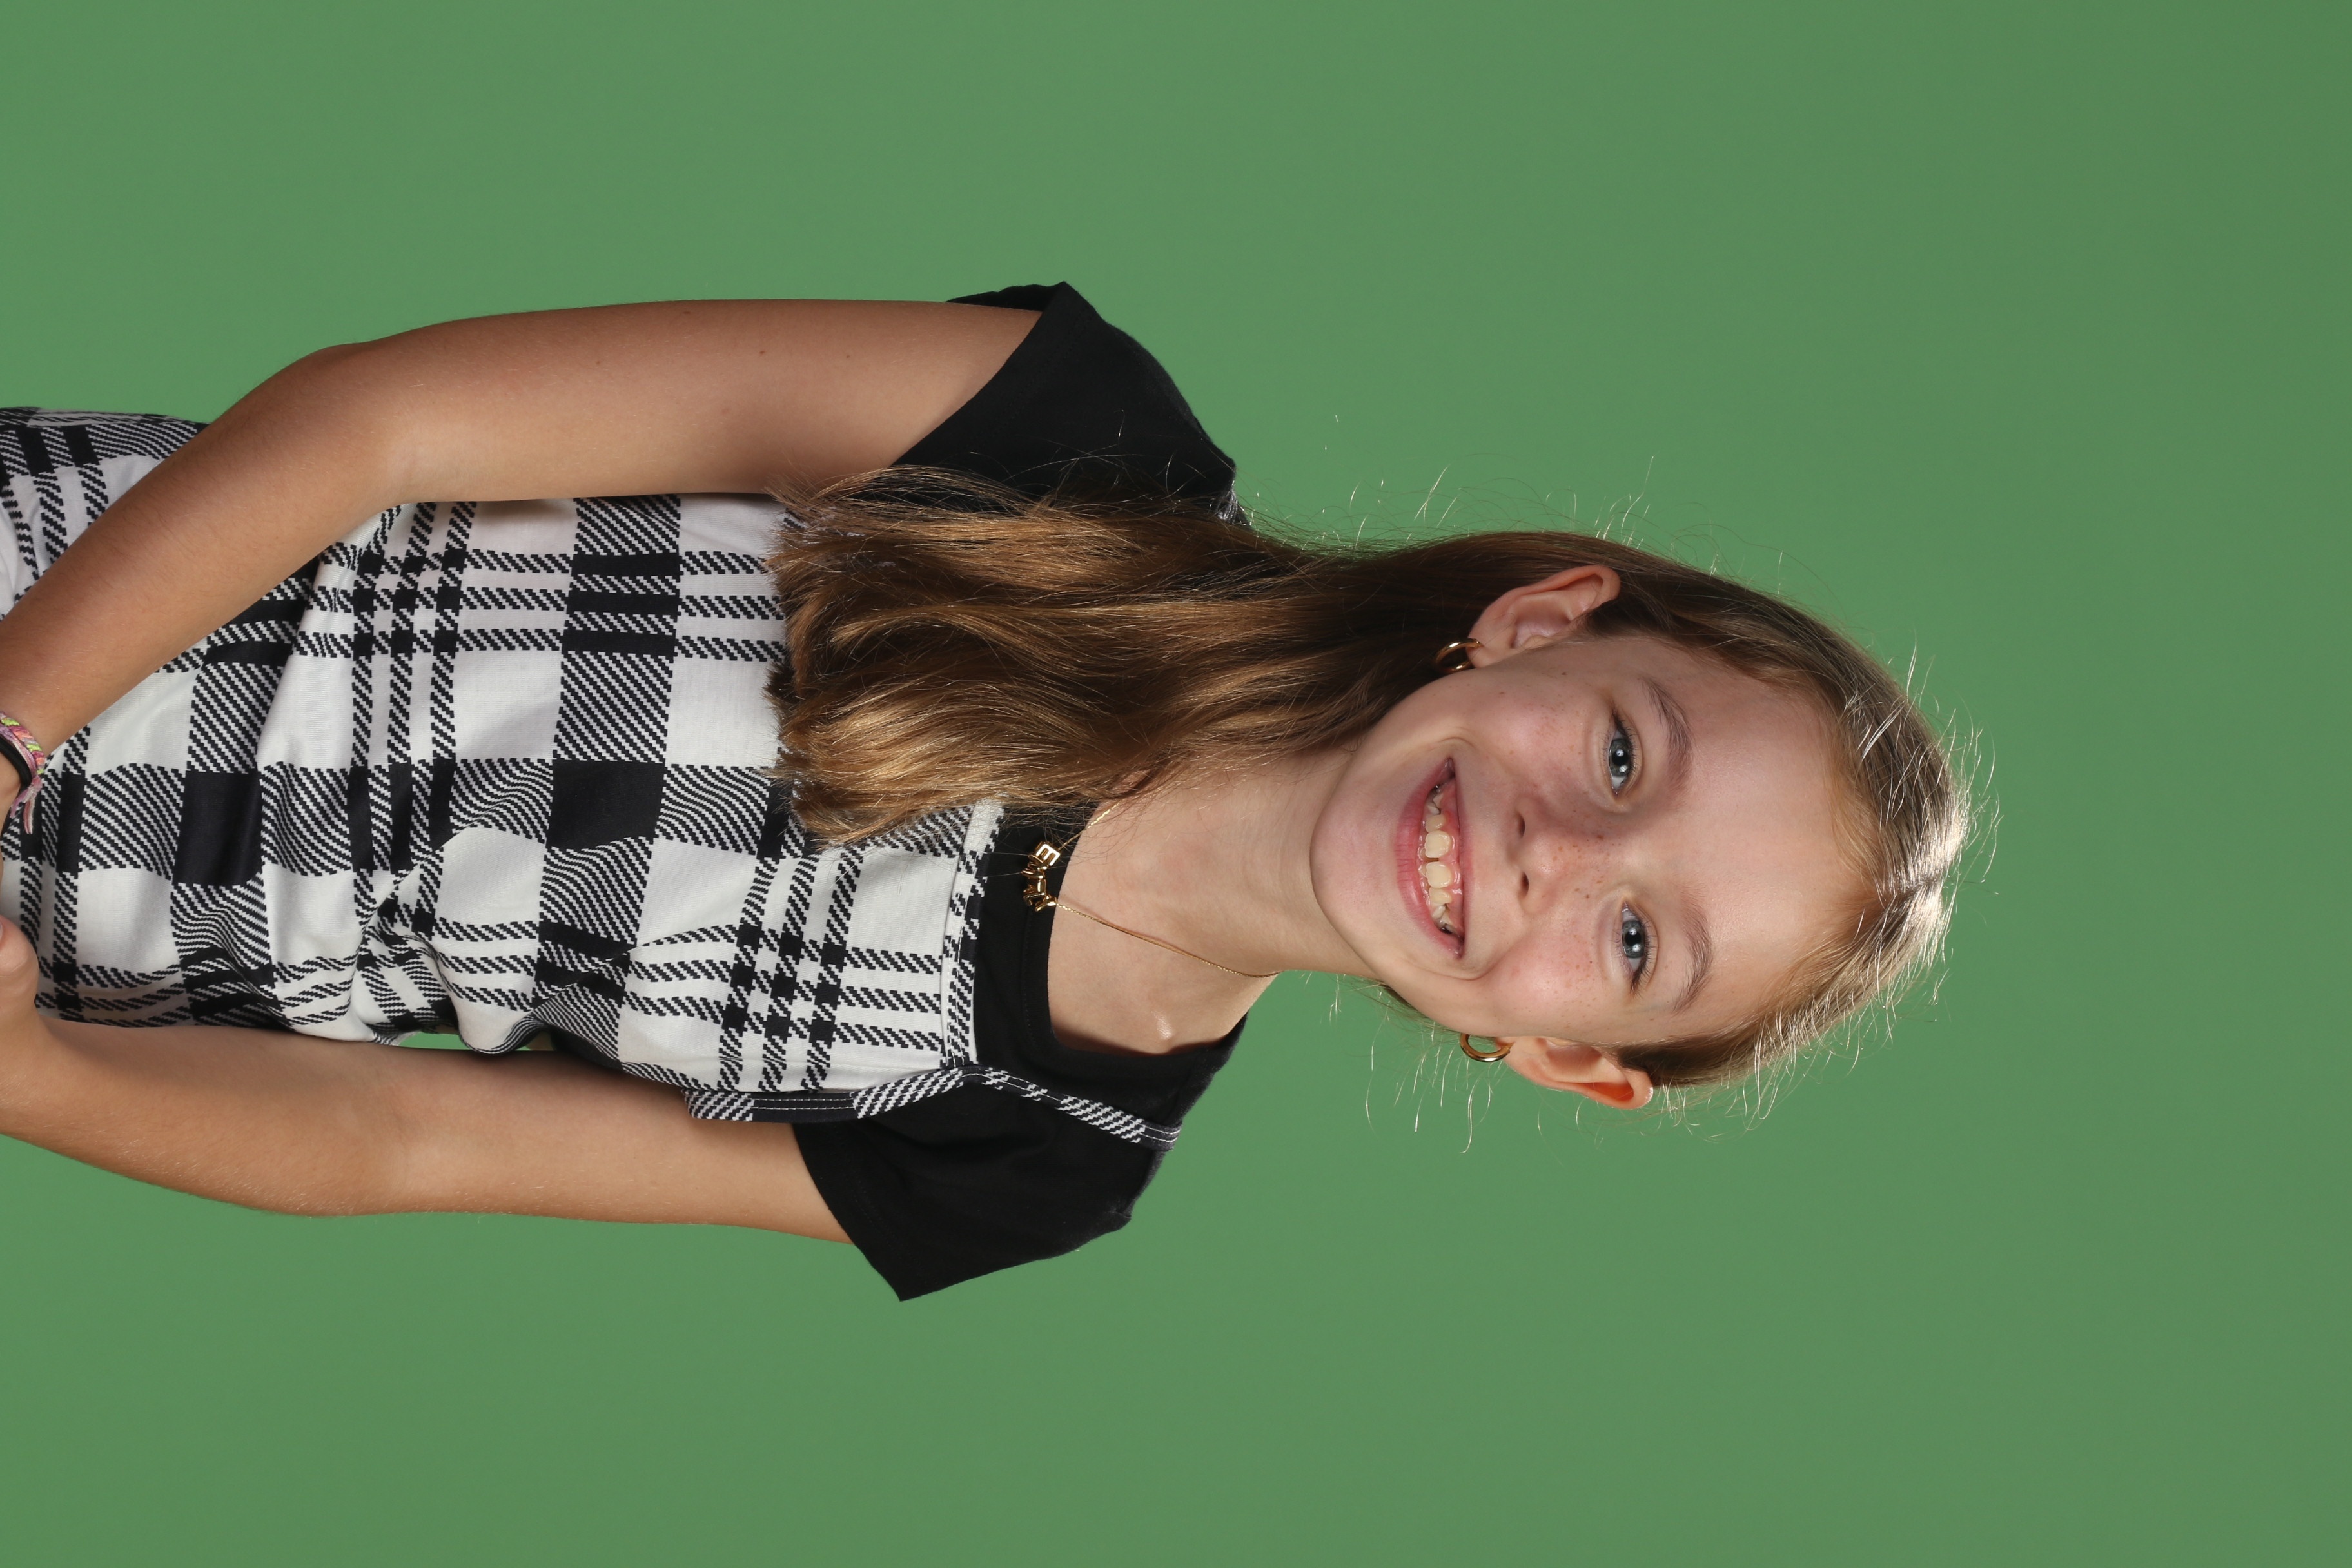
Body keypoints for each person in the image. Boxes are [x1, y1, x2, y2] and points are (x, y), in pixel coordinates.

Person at [0, 285, 1968, 1297]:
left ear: (1562, 1060)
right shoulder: (1079, 449)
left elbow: (405, 1140)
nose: (1560, 854)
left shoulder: (1044, 1147)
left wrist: (30, 1075)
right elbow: (387, 418)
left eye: (1635, 942)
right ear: (1542, 626)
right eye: (1623, 755)